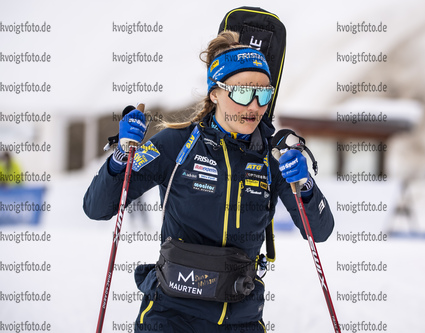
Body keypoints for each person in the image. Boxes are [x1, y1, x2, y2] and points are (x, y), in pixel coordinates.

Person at [83, 31, 334, 333]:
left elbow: (319, 231)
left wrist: (304, 184)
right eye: (242, 93)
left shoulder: (272, 156)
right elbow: (97, 207)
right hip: (171, 316)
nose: (254, 106)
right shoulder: (177, 143)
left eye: (264, 94)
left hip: (240, 319)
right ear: (215, 93)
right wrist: (123, 154)